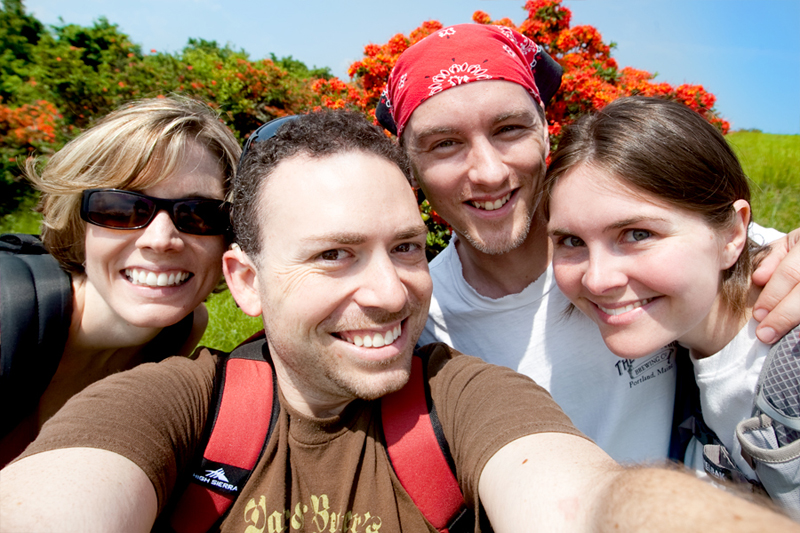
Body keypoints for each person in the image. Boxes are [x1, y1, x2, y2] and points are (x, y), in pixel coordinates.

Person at [2, 110, 799, 533]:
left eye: (407, 247)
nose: (389, 293)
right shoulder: (174, 404)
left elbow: (591, 504)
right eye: (334, 256)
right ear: (243, 281)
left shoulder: (464, 394)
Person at [376, 23, 800, 464]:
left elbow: (730, 236)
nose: (489, 173)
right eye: (445, 144)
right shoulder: (420, 318)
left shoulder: (618, 243)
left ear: (544, 131)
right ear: (411, 168)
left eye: (508, 129)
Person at [542, 96, 800, 513]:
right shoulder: (680, 344)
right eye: (571, 241)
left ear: (734, 234)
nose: (597, 279)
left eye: (638, 234)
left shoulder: (789, 364)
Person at [0, 97, 240, 467]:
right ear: (80, 223)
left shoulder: (183, 326)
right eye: (122, 209)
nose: (160, 239)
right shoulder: (5, 316)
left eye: (200, 215)